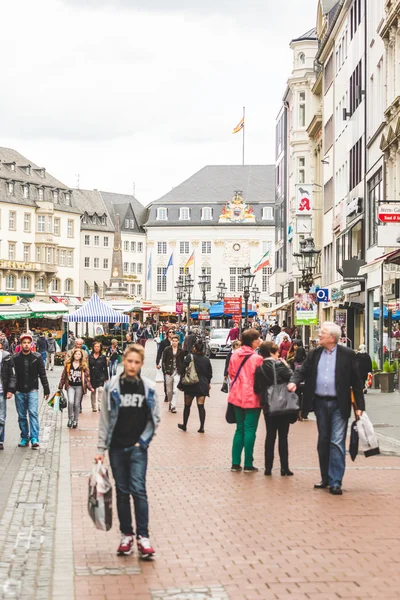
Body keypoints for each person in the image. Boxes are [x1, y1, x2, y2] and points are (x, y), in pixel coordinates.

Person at [95, 344, 160, 558]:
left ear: (142, 364)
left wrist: (142, 442)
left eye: (137, 362)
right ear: (124, 360)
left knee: (138, 490)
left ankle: (143, 536)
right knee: (122, 492)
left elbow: (155, 418)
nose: (132, 365)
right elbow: (105, 419)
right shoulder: (112, 387)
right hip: (116, 447)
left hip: (137, 448)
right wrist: (100, 448)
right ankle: (126, 535)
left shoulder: (149, 387)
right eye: (129, 361)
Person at [290, 322, 364, 495]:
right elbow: (303, 370)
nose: (319, 336)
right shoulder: (315, 354)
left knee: (336, 441)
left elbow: (356, 381)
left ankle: (336, 481)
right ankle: (326, 477)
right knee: (323, 440)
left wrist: (360, 406)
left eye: (322, 334)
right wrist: (293, 382)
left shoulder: (347, 354)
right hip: (320, 403)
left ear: (332, 338)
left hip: (339, 403)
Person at [254, 342, 297, 476]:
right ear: (272, 352)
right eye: (277, 352)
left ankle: (268, 468)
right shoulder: (279, 365)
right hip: (282, 404)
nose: (279, 354)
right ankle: (284, 467)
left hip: (268, 405)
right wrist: (286, 365)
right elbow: (292, 377)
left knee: (270, 436)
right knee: (283, 436)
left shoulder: (259, 369)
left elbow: (256, 388)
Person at [228, 328, 263, 472]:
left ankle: (235, 462)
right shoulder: (257, 358)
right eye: (258, 339)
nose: (260, 341)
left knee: (239, 429)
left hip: (236, 394)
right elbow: (260, 378)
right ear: (253, 341)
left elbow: (231, 373)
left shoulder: (235, 355)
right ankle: (248, 463)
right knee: (250, 430)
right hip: (252, 397)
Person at [13, 333, 50, 448]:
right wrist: (12, 389)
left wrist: (46, 389)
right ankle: (24, 437)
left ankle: (34, 438)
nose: (26, 345)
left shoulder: (37, 357)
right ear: (21, 344)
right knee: (22, 416)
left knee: (33, 413)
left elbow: (42, 374)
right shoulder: (15, 358)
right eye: (24, 343)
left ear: (31, 344)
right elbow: (12, 376)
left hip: (32, 389)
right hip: (19, 391)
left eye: (28, 343)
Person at [177, 340, 212, 433]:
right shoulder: (206, 359)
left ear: (195, 348)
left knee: (187, 406)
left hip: (190, 384)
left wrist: (180, 384)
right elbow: (209, 374)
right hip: (202, 385)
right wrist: (208, 383)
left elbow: (183, 371)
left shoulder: (189, 357)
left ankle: (184, 425)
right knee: (201, 406)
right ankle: (202, 427)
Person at [59, 348, 93, 429]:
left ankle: (75, 420)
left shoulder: (83, 366)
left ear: (81, 356)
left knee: (77, 404)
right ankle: (70, 418)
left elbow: (87, 378)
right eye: (76, 354)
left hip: (79, 386)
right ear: (73, 355)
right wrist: (61, 385)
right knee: (70, 402)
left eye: (79, 354)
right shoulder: (68, 364)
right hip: (70, 385)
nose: (77, 356)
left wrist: (90, 387)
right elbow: (64, 375)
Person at [162, 334, 184, 414]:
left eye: (176, 341)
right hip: (168, 372)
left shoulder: (181, 351)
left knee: (175, 390)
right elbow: (163, 361)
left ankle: (173, 406)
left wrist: (181, 370)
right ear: (171, 341)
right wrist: (164, 371)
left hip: (177, 372)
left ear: (178, 342)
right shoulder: (167, 349)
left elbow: (182, 361)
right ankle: (171, 403)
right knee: (169, 391)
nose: (174, 343)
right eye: (173, 341)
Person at [0, 340, 16, 450]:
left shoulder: (7, 357)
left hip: (2, 391)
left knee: (1, 418)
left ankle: (0, 440)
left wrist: (10, 390)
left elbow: (12, 375)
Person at [89, 342, 109, 412]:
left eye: (98, 347)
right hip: (92, 376)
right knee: (93, 391)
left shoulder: (103, 357)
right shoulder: (90, 356)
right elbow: (88, 367)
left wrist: (106, 378)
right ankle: (94, 406)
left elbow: (105, 367)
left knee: (101, 389)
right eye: (95, 346)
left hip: (101, 375)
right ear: (93, 347)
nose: (97, 348)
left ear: (100, 348)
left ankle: (100, 405)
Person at [156, 329, 173, 403]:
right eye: (170, 332)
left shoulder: (175, 342)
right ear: (167, 334)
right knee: (166, 380)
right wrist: (157, 363)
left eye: (173, 332)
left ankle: (172, 395)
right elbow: (159, 352)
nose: (171, 333)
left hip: (174, 364)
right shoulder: (163, 342)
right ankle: (166, 394)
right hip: (165, 363)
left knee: (173, 381)